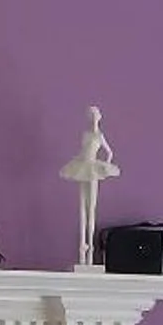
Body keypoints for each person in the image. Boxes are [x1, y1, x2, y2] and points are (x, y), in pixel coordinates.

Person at [59, 104, 120, 272]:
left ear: (99, 117)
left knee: (91, 207)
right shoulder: (85, 134)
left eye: (95, 115)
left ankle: (90, 250)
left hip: (93, 167)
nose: (93, 118)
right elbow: (82, 151)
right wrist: (76, 159)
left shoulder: (99, 135)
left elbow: (109, 152)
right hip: (83, 165)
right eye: (91, 115)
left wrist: (106, 166)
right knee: (81, 208)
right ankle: (82, 248)